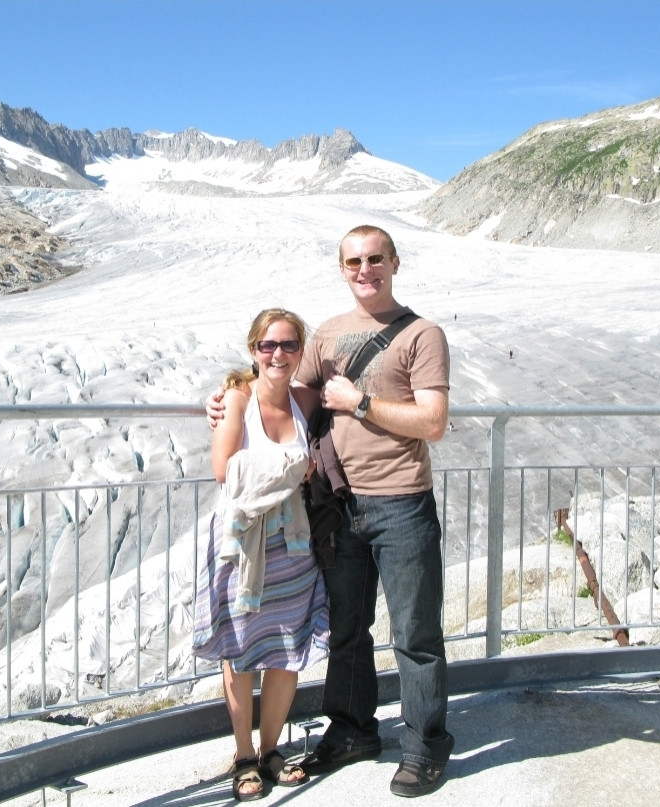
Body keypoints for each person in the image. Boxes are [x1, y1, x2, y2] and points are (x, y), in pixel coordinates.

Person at [208, 226, 454, 798]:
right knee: (348, 630)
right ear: (342, 269)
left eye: (374, 259)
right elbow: (285, 390)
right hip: (340, 507)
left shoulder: (422, 335)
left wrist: (361, 402)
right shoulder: (328, 335)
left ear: (394, 262)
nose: (364, 269)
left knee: (416, 635)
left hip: (401, 502)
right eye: (353, 261)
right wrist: (228, 395)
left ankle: (424, 745)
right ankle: (352, 731)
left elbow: (433, 422)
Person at [192, 308, 330, 801]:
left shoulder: (305, 399)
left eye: (289, 345)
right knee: (241, 646)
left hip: (292, 542)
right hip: (242, 541)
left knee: (286, 646)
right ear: (253, 350)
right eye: (268, 345)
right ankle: (244, 753)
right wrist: (295, 465)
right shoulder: (237, 398)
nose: (278, 354)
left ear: (300, 352)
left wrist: (295, 468)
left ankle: (272, 748)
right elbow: (224, 469)